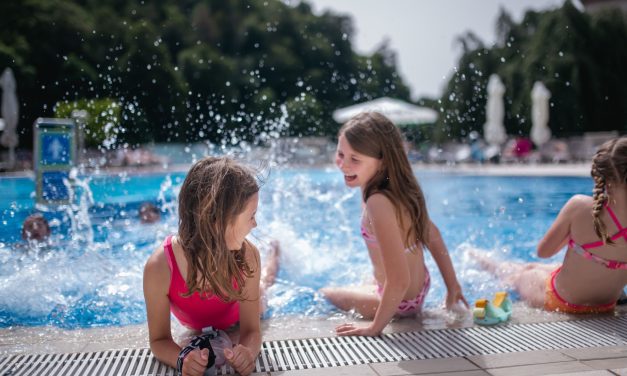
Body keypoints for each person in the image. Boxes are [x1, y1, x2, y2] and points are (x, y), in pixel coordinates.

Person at [321, 112, 468, 337]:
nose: (344, 165)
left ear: (381, 163)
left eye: (355, 159)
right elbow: (434, 236)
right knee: (367, 278)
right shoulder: (399, 192)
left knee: (327, 293)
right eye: (341, 154)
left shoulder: (377, 203)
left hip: (400, 301)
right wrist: (452, 286)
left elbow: (399, 280)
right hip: (419, 287)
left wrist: (374, 328)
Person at [143, 157, 277, 376]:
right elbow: (159, 340)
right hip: (203, 322)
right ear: (218, 221)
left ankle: (275, 255)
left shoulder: (248, 256)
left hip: (240, 314)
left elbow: (251, 330)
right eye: (251, 216)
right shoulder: (160, 268)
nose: (255, 224)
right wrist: (182, 359)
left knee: (265, 285)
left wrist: (248, 352)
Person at [473, 137, 627, 314]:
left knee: (522, 273)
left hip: (561, 301)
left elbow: (544, 252)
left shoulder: (579, 207)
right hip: (606, 304)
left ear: (602, 177)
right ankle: (490, 262)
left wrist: (575, 234)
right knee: (537, 268)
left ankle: (485, 262)